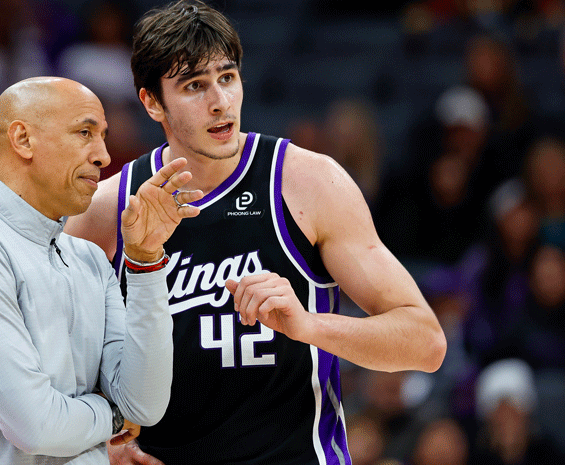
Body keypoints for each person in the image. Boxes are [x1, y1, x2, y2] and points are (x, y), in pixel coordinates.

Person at [64, 1, 447, 463]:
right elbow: (56, 368)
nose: (220, 102)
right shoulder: (108, 211)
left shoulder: (308, 183)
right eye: (194, 86)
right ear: (151, 102)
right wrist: (99, 441)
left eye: (227, 77)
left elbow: (425, 342)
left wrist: (308, 325)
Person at [0, 76, 204, 464]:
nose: (102, 155)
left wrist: (146, 259)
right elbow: (36, 428)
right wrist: (116, 416)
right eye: (84, 132)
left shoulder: (91, 260)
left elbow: (145, 404)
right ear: (23, 140)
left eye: (102, 135)